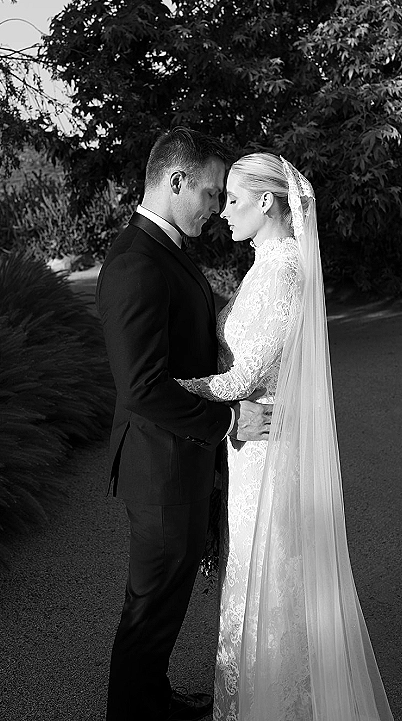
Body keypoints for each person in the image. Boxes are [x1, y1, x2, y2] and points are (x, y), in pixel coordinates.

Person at [177, 153, 395, 721]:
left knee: (269, 574)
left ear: (266, 201)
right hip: (253, 444)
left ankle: (278, 703)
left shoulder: (282, 270)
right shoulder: (266, 262)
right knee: (261, 572)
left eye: (233, 200)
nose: (224, 212)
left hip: (266, 446)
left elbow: (244, 377)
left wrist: (167, 388)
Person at [95, 128, 271, 721]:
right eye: (211, 192)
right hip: (159, 467)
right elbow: (142, 387)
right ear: (176, 182)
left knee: (165, 604)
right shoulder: (135, 262)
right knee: (148, 611)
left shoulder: (166, 249)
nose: (218, 207)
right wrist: (229, 419)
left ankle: (154, 699)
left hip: (179, 459)